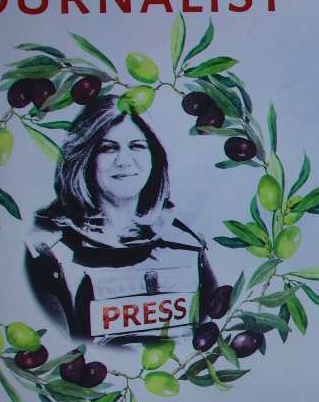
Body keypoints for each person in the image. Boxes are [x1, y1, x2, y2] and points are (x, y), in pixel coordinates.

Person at [26, 96, 216, 343]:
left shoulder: (188, 244)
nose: (124, 161)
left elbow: (212, 333)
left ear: (154, 157)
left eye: (137, 146)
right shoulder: (47, 252)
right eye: (108, 148)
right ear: (84, 158)